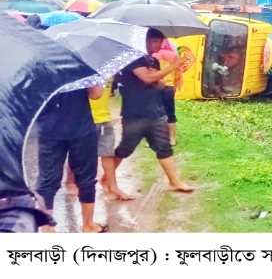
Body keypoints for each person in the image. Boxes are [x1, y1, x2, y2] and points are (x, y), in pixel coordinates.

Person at [112, 28, 194, 193]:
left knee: (164, 148)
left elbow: (157, 82)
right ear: (146, 41)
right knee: (125, 148)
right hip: (135, 113)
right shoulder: (133, 59)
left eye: (160, 41)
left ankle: (174, 181)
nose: (158, 44)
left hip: (155, 111)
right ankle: (107, 177)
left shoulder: (152, 61)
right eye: (155, 41)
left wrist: (158, 77)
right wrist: (173, 66)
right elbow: (147, 78)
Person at [35, 86, 107, 233]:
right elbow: (96, 94)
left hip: (49, 129)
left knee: (47, 180)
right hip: (80, 128)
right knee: (86, 177)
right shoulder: (81, 65)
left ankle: (47, 230)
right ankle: (88, 226)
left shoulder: (34, 66)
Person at [152, 39, 183, 146]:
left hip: (155, 87)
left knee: (155, 113)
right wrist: (176, 84)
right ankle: (172, 138)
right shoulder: (174, 57)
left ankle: (155, 138)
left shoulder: (154, 56)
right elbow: (178, 72)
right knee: (170, 113)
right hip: (169, 88)